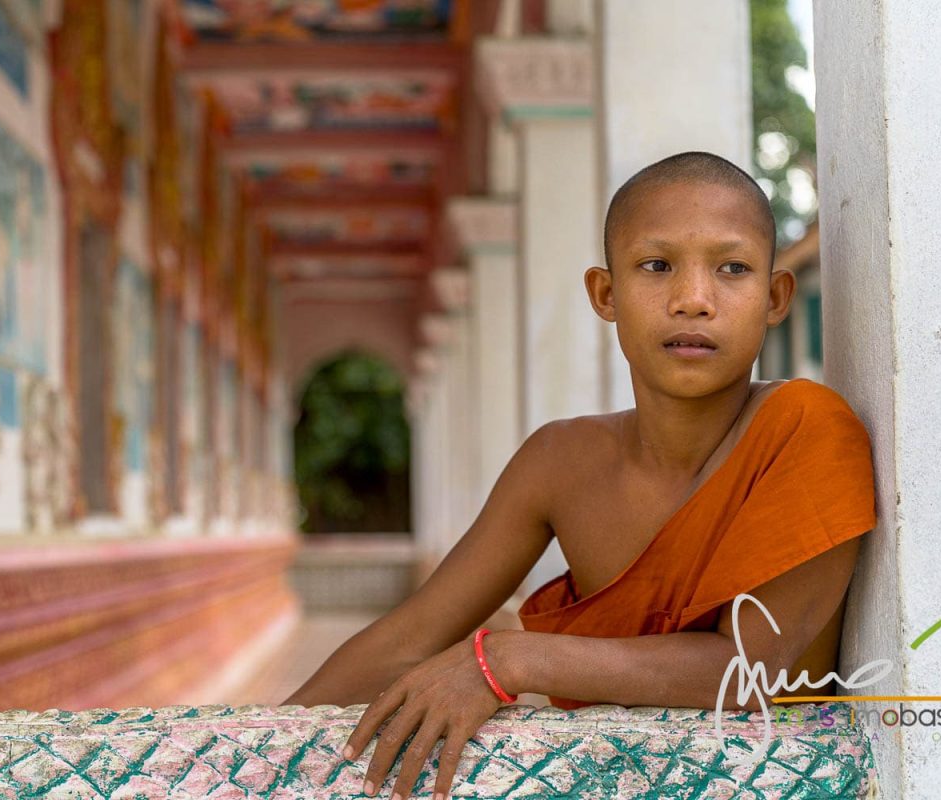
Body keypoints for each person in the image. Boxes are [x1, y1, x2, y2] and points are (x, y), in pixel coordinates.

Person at [283, 151, 877, 800]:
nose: (693, 300)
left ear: (774, 297)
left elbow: (747, 670)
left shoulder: (808, 431)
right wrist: (257, 743)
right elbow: (410, 638)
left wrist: (508, 658)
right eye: (657, 266)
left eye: (732, 269)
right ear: (606, 294)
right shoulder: (561, 462)